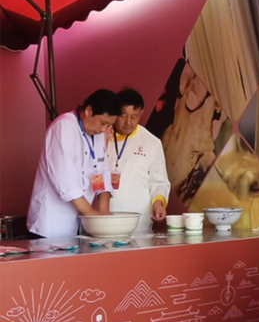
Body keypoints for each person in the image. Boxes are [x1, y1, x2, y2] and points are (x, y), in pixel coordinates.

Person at [27, 89, 120, 239]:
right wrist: (91, 214)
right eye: (103, 123)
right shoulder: (64, 126)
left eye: (109, 125)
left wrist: (104, 210)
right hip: (51, 224)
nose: (104, 130)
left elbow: (100, 172)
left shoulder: (96, 134)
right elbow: (64, 180)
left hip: (79, 224)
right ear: (89, 111)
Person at [107, 88, 170, 232]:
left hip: (138, 224)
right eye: (123, 116)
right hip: (102, 220)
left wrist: (158, 203)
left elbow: (159, 182)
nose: (128, 122)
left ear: (141, 113)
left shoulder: (151, 142)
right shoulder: (100, 137)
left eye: (134, 117)